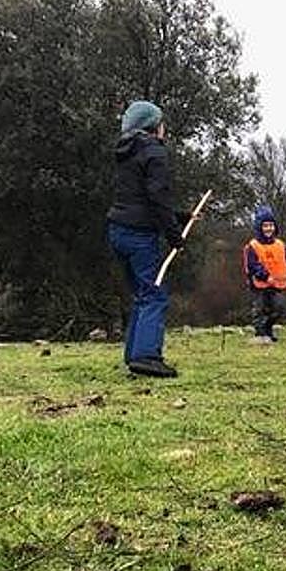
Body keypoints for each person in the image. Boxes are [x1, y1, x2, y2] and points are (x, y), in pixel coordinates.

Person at [105, 100, 186, 379]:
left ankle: (133, 355)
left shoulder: (125, 153)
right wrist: (174, 234)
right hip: (140, 235)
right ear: (154, 127)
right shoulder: (155, 152)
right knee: (154, 294)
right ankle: (147, 357)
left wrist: (181, 216)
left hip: (117, 230)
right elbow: (157, 197)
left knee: (141, 293)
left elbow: (138, 198)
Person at [243, 205, 286, 344]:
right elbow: (253, 265)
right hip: (260, 285)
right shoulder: (253, 245)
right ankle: (261, 334)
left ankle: (268, 329)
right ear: (259, 227)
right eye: (265, 226)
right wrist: (265, 276)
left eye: (271, 225)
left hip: (277, 284)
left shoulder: (280, 244)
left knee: (278, 308)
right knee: (260, 309)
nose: (269, 229)